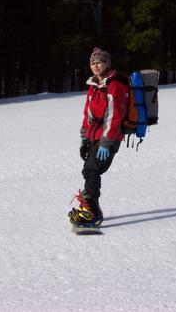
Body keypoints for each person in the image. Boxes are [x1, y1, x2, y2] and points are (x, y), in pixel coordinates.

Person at [69, 47, 129, 227]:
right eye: (93, 63)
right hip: (94, 136)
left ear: (107, 63)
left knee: (92, 170)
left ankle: (92, 213)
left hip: (109, 137)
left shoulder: (115, 84)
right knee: (90, 170)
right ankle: (91, 207)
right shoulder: (94, 85)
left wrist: (106, 142)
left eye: (99, 62)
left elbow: (114, 115)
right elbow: (88, 114)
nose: (96, 66)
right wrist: (84, 138)